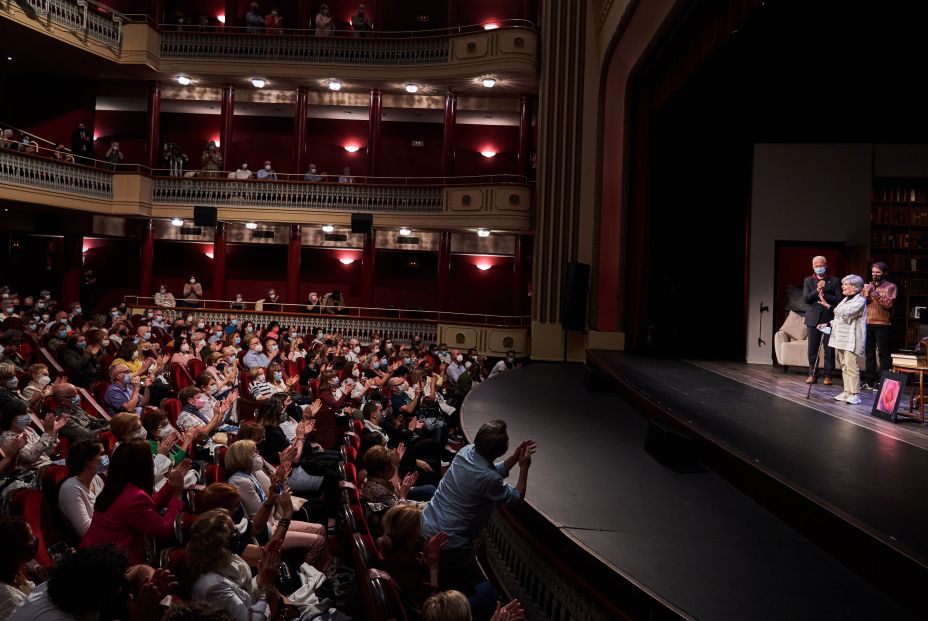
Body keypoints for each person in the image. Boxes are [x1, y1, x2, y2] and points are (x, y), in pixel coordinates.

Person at [422, 419, 535, 594]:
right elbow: (515, 499)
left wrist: (514, 456)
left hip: (429, 524)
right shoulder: (489, 479)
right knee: (484, 591)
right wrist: (524, 467)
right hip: (451, 542)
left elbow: (491, 472)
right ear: (499, 450)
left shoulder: (466, 452)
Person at [81, 438, 190, 565]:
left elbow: (149, 506)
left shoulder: (116, 487)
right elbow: (165, 530)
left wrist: (171, 484)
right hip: (110, 568)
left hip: (96, 559)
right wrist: (176, 495)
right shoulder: (133, 498)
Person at [187, 509, 285, 621]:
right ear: (220, 544)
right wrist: (265, 589)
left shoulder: (228, 559)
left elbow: (246, 595)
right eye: (233, 534)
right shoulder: (213, 587)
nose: (238, 535)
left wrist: (261, 580)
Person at [827, 275, 868, 405]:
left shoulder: (860, 301)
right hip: (840, 338)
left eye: (846, 284)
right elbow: (840, 316)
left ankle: (855, 394)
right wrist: (829, 324)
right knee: (843, 365)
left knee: (851, 366)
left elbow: (846, 313)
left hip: (852, 338)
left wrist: (834, 309)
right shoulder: (844, 300)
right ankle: (847, 391)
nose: (842, 286)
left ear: (855, 288)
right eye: (843, 284)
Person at [803, 256, 842, 385]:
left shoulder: (835, 281)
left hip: (828, 319)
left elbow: (839, 299)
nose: (819, 268)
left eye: (821, 265)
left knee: (828, 348)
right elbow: (806, 299)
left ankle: (828, 375)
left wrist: (825, 295)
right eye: (816, 266)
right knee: (812, 348)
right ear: (813, 266)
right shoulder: (808, 280)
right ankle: (812, 374)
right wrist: (817, 291)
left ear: (826, 265)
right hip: (813, 318)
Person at [0, 401, 66, 474]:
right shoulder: (8, 438)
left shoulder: (28, 430)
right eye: (24, 414)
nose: (28, 416)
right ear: (11, 417)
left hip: (48, 465)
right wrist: (47, 433)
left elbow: (46, 452)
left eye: (28, 412)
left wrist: (53, 431)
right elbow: (30, 458)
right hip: (34, 473)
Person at [861, 262, 897, 390]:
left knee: (883, 354)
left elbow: (888, 304)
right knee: (869, 354)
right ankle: (869, 381)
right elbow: (861, 304)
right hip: (868, 322)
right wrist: (864, 295)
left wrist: (874, 293)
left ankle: (883, 382)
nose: (875, 275)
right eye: (873, 272)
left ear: (884, 273)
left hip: (882, 323)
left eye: (878, 272)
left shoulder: (891, 287)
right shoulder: (868, 286)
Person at [59, 440, 106, 537]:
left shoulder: (96, 479)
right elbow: (86, 531)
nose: (105, 458)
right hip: (92, 542)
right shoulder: (70, 488)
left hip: (105, 531)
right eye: (101, 454)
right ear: (88, 460)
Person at [0, 518, 36, 619]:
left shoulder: (12, 572)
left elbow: (35, 591)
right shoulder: (9, 598)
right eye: (30, 538)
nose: (34, 539)